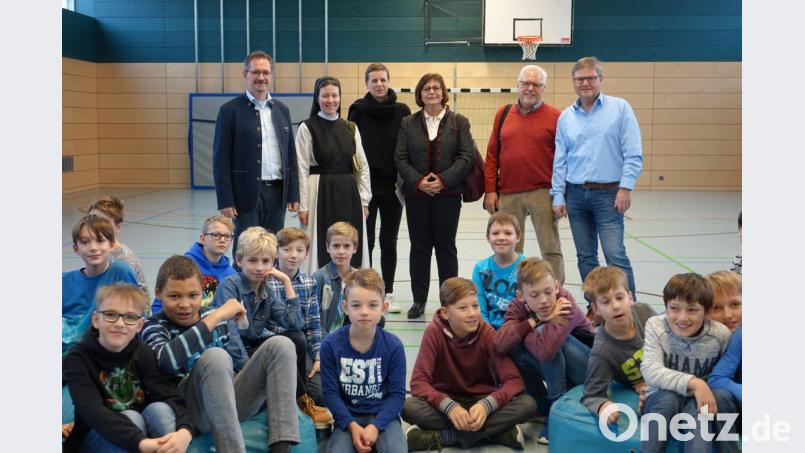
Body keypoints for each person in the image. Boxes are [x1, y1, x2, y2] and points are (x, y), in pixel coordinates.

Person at [142, 255, 301, 453]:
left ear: (202, 293)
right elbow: (167, 362)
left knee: (282, 344)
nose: (185, 304)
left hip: (225, 405)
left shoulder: (215, 318)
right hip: (187, 410)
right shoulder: (153, 325)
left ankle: (281, 447)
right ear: (158, 293)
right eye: (174, 296)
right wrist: (216, 316)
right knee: (215, 356)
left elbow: (235, 362)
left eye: (193, 295)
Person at [212, 226, 331, 426]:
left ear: (273, 262)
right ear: (239, 260)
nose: (259, 267)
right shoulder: (229, 286)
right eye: (252, 260)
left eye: (265, 261)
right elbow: (231, 339)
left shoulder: (267, 287)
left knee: (295, 338)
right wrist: (248, 370)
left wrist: (286, 282)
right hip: (232, 355)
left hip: (254, 346)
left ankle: (300, 399)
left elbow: (295, 324)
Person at [403, 277, 536, 451]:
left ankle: (445, 437)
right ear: (445, 313)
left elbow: (514, 381)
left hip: (480, 402)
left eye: (475, 306)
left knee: (528, 404)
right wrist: (449, 407)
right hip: (445, 405)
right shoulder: (434, 332)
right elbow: (419, 382)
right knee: (408, 407)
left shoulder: (486, 332)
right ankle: (495, 433)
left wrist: (487, 405)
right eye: (463, 308)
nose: (472, 313)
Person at [62, 283, 195, 453]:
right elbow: (93, 411)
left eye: (130, 317)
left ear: (139, 325)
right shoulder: (78, 358)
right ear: (96, 320)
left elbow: (169, 396)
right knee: (131, 418)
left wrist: (185, 431)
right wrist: (141, 443)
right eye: (110, 314)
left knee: (159, 409)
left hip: (142, 437)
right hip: (95, 439)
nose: (119, 323)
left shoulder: (143, 353)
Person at [551, 56, 643, 296]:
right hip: (576, 195)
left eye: (590, 78)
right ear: (573, 81)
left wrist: (626, 188)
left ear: (601, 79)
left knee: (615, 254)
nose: (585, 83)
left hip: (609, 194)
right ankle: (595, 307)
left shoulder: (620, 108)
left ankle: (631, 309)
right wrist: (558, 196)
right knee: (585, 256)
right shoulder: (566, 117)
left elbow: (633, 153)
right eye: (579, 79)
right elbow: (560, 160)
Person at [394, 73, 474, 319]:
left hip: (448, 196)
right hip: (417, 196)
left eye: (436, 88)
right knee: (419, 248)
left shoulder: (459, 122)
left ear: (443, 93)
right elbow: (400, 157)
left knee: (445, 248)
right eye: (426, 88)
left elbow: (466, 157)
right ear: (419, 94)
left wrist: (442, 180)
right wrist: (419, 182)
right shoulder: (408, 123)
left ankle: (449, 301)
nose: (431, 92)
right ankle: (419, 301)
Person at [494, 257, 593, 444]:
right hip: (559, 369)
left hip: (588, 370)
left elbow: (547, 351)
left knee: (546, 337)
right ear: (521, 295)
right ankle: (541, 406)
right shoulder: (517, 306)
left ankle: (558, 410)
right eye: (534, 295)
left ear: (556, 286)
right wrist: (534, 320)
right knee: (513, 345)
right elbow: (499, 344)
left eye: (548, 292)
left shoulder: (565, 303)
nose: (544, 300)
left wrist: (532, 328)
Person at [213, 50, 300, 262]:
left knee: (273, 249)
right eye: (256, 72)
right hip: (245, 194)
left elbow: (290, 152)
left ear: (271, 75)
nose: (261, 77)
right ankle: (241, 293)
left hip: (277, 193)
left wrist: (294, 193)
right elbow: (220, 157)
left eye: (266, 72)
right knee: (247, 249)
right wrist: (225, 198)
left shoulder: (281, 110)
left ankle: (270, 292)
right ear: (246, 74)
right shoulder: (229, 111)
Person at [483, 65, 565, 283]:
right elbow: (492, 155)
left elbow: (563, 160)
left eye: (536, 85)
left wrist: (560, 195)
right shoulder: (503, 114)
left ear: (543, 88)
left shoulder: (556, 116)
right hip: (508, 194)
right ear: (518, 85)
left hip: (542, 193)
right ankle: (512, 291)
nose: (530, 88)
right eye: (526, 83)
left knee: (550, 248)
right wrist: (490, 190)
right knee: (508, 248)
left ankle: (555, 293)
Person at [640, 273, 738, 453]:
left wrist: (701, 390)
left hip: (699, 401)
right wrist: (696, 383)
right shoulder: (656, 325)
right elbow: (650, 369)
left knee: (703, 414)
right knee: (669, 398)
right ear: (666, 307)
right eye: (674, 308)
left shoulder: (720, 334)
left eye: (692, 310)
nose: (682, 317)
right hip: (663, 399)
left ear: (707, 312)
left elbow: (723, 374)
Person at [320, 269, 407, 453]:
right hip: (348, 418)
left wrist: (375, 426)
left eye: (372, 305)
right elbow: (330, 394)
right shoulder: (330, 345)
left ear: (384, 308)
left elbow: (397, 395)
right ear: (345, 307)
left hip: (384, 418)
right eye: (356, 305)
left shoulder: (393, 346)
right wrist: (351, 426)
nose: (364, 312)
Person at [347, 63, 411, 314]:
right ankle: (369, 291)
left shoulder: (402, 111)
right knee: (367, 241)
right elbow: (349, 149)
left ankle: (389, 292)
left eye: (383, 80)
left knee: (389, 241)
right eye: (374, 80)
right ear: (367, 83)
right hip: (365, 189)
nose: (379, 84)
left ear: (389, 81)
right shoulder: (357, 111)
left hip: (393, 188)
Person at [296, 76, 371, 273]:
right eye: (325, 95)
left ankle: (352, 289)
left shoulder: (350, 128)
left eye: (334, 95)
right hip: (319, 191)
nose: (331, 100)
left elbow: (362, 167)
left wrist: (364, 200)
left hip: (348, 192)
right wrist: (303, 205)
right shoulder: (307, 127)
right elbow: (301, 168)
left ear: (340, 97)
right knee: (319, 241)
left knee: (349, 240)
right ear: (317, 98)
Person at [579, 266, 657, 425]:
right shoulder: (602, 351)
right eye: (606, 302)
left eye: (620, 297)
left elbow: (669, 341)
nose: (615, 306)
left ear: (630, 297)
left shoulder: (644, 312)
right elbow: (591, 395)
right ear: (595, 309)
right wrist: (603, 406)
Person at [273, 226, 333, 421]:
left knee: (322, 395)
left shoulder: (309, 283)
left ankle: (302, 397)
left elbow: (313, 324)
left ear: (307, 254)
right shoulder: (267, 280)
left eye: (299, 250)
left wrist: (318, 356)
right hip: (275, 344)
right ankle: (294, 401)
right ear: (277, 251)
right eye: (287, 249)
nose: (293, 255)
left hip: (300, 350)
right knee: (295, 337)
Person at [63, 214, 139, 356]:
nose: (93, 248)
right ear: (75, 248)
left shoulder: (120, 272)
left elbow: (134, 317)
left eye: (100, 241)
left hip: (105, 353)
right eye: (85, 242)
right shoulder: (63, 282)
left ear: (111, 245)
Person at [151, 214, 237, 313]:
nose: (222, 240)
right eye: (216, 235)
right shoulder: (182, 267)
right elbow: (159, 305)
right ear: (203, 239)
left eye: (227, 236)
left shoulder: (231, 275)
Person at [85, 195, 150, 298]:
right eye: (92, 219)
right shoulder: (91, 250)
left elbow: (131, 302)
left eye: (104, 222)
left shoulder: (124, 260)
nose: (95, 225)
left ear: (117, 227)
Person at [471, 212, 524, 330]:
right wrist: (489, 333)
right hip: (489, 330)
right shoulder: (480, 269)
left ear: (518, 237)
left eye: (508, 233)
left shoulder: (527, 266)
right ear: (488, 237)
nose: (501, 237)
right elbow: (480, 308)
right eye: (495, 233)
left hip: (519, 329)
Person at [312, 222, 359, 337]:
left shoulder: (359, 278)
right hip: (326, 335)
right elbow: (314, 318)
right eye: (336, 246)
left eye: (347, 246)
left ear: (355, 248)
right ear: (328, 247)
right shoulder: (319, 277)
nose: (341, 252)